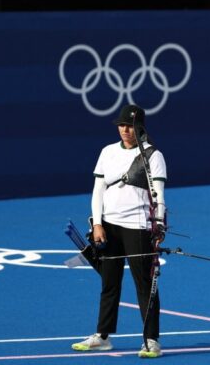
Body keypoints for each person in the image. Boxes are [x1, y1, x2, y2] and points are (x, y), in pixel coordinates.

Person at [71, 104, 167, 358]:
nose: (125, 130)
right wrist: (98, 224)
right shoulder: (107, 152)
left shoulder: (153, 156)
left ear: (140, 127)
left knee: (144, 283)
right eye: (122, 125)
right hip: (109, 227)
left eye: (130, 126)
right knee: (109, 282)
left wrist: (158, 224)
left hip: (138, 227)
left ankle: (151, 339)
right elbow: (98, 191)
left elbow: (158, 195)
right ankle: (102, 336)